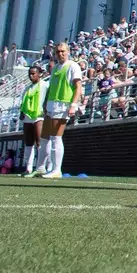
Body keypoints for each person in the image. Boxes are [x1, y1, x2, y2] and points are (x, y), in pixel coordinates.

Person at [36, 42, 83, 179]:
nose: (60, 54)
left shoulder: (73, 66)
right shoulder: (56, 67)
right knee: (44, 137)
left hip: (62, 105)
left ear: (68, 51)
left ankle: (56, 170)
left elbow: (78, 87)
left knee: (56, 137)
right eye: (58, 52)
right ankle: (40, 168)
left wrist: (73, 105)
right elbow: (51, 87)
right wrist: (45, 103)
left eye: (63, 51)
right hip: (51, 104)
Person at [19, 64, 46, 176]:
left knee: (39, 141)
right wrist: (21, 113)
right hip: (27, 116)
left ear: (39, 74)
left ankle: (40, 167)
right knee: (28, 142)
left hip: (39, 115)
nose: (31, 76)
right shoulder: (27, 88)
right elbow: (23, 102)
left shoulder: (44, 85)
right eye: (29, 74)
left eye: (33, 73)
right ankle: (28, 168)